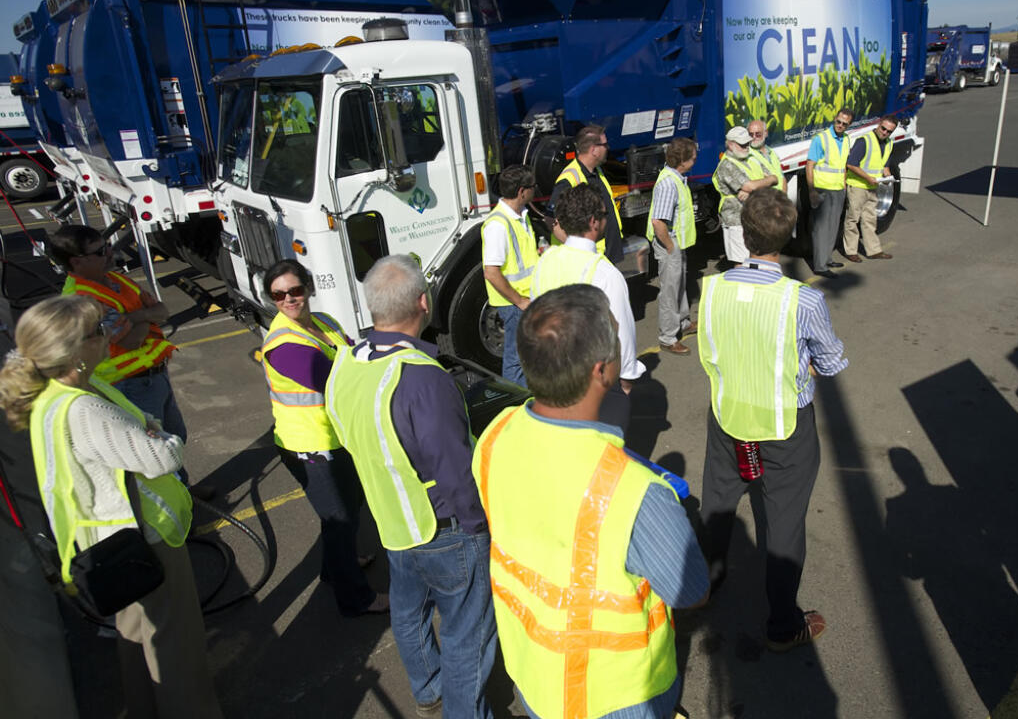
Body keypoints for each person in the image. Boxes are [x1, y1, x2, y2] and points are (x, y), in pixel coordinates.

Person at [472, 284, 709, 719]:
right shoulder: (638, 493)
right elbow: (690, 591)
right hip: (615, 696)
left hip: (531, 669)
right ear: (602, 371)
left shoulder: (495, 435)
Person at [0, 295, 223, 719]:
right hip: (145, 539)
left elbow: (135, 428)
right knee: (176, 647)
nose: (107, 336)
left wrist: (146, 429)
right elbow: (160, 456)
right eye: (97, 331)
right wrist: (166, 439)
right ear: (76, 351)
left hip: (109, 545)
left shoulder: (63, 392)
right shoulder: (85, 407)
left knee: (136, 636)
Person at [324, 255, 495, 719]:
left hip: (393, 519)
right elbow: (455, 468)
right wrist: (479, 526)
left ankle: (427, 689)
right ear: (424, 301)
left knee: (408, 609)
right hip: (444, 527)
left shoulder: (346, 363)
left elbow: (346, 434)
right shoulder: (423, 379)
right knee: (468, 637)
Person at [697, 188, 848, 652]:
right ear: (788, 236)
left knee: (718, 505)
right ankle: (783, 623)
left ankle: (703, 586)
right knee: (783, 522)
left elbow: (712, 351)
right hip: (785, 424)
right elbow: (832, 360)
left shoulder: (712, 288)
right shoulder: (800, 300)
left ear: (743, 234)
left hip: (728, 414)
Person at [47, 225, 213, 499]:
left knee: (175, 438)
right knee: (155, 452)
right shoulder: (82, 300)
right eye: (100, 251)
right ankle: (175, 511)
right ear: (77, 261)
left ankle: (185, 495)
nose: (110, 252)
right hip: (130, 386)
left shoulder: (116, 280)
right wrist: (144, 315)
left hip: (154, 376)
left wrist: (134, 317)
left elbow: (162, 311)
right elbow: (131, 341)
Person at [260, 259, 385, 617]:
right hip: (309, 447)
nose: (288, 299)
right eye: (279, 295)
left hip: (335, 439)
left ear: (308, 289)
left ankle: (334, 571)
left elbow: (350, 352)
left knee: (345, 511)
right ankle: (356, 599)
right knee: (340, 519)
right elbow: (335, 382)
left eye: (295, 290)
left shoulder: (324, 323)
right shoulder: (283, 344)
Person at [532, 184, 645, 432]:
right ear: (594, 222)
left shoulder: (546, 261)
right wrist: (625, 384)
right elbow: (622, 338)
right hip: (591, 389)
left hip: (550, 380)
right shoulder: (605, 274)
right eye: (605, 215)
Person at [481, 165, 539, 386]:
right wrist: (520, 301)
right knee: (515, 360)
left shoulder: (520, 216)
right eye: (532, 187)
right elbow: (491, 272)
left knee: (526, 356)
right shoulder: (498, 225)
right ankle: (516, 406)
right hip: (515, 304)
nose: (535, 190)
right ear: (522, 191)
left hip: (524, 300)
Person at [648, 137, 699, 356]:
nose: (695, 160)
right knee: (670, 289)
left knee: (679, 283)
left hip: (677, 241)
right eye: (693, 157)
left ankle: (683, 322)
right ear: (683, 161)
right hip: (670, 242)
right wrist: (670, 246)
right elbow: (658, 222)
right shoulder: (669, 183)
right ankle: (668, 337)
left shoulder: (676, 177)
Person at [550, 125, 624, 263]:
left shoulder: (597, 171)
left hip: (605, 253)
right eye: (604, 145)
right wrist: (580, 249)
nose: (607, 148)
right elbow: (551, 220)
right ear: (594, 150)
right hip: (590, 258)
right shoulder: (569, 178)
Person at [712, 126, 777, 264]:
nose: (747, 147)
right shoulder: (727, 165)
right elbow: (751, 185)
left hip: (757, 216)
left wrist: (753, 188)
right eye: (743, 144)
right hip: (737, 220)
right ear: (730, 144)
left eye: (748, 143)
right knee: (741, 262)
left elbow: (774, 178)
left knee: (758, 259)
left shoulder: (751, 157)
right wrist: (756, 185)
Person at [805, 109, 855, 277]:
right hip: (823, 189)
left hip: (838, 189)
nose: (840, 125)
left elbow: (844, 166)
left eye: (844, 124)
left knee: (833, 226)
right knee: (821, 229)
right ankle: (820, 266)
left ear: (849, 125)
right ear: (834, 119)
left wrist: (844, 186)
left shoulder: (847, 139)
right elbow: (810, 165)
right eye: (838, 121)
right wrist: (811, 190)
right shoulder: (821, 139)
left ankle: (827, 258)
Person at [842, 116, 897, 263]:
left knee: (870, 219)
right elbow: (851, 164)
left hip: (873, 186)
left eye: (889, 131)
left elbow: (884, 165)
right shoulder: (864, 141)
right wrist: (867, 178)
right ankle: (851, 251)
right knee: (853, 219)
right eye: (883, 128)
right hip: (858, 186)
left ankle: (874, 250)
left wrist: (887, 174)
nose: (885, 132)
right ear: (879, 125)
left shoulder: (889, 144)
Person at [747, 119, 786, 193]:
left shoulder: (772, 152)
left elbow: (782, 178)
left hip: (779, 200)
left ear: (766, 133)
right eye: (751, 135)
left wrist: (783, 199)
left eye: (758, 134)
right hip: (766, 201)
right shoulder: (748, 155)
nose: (754, 137)